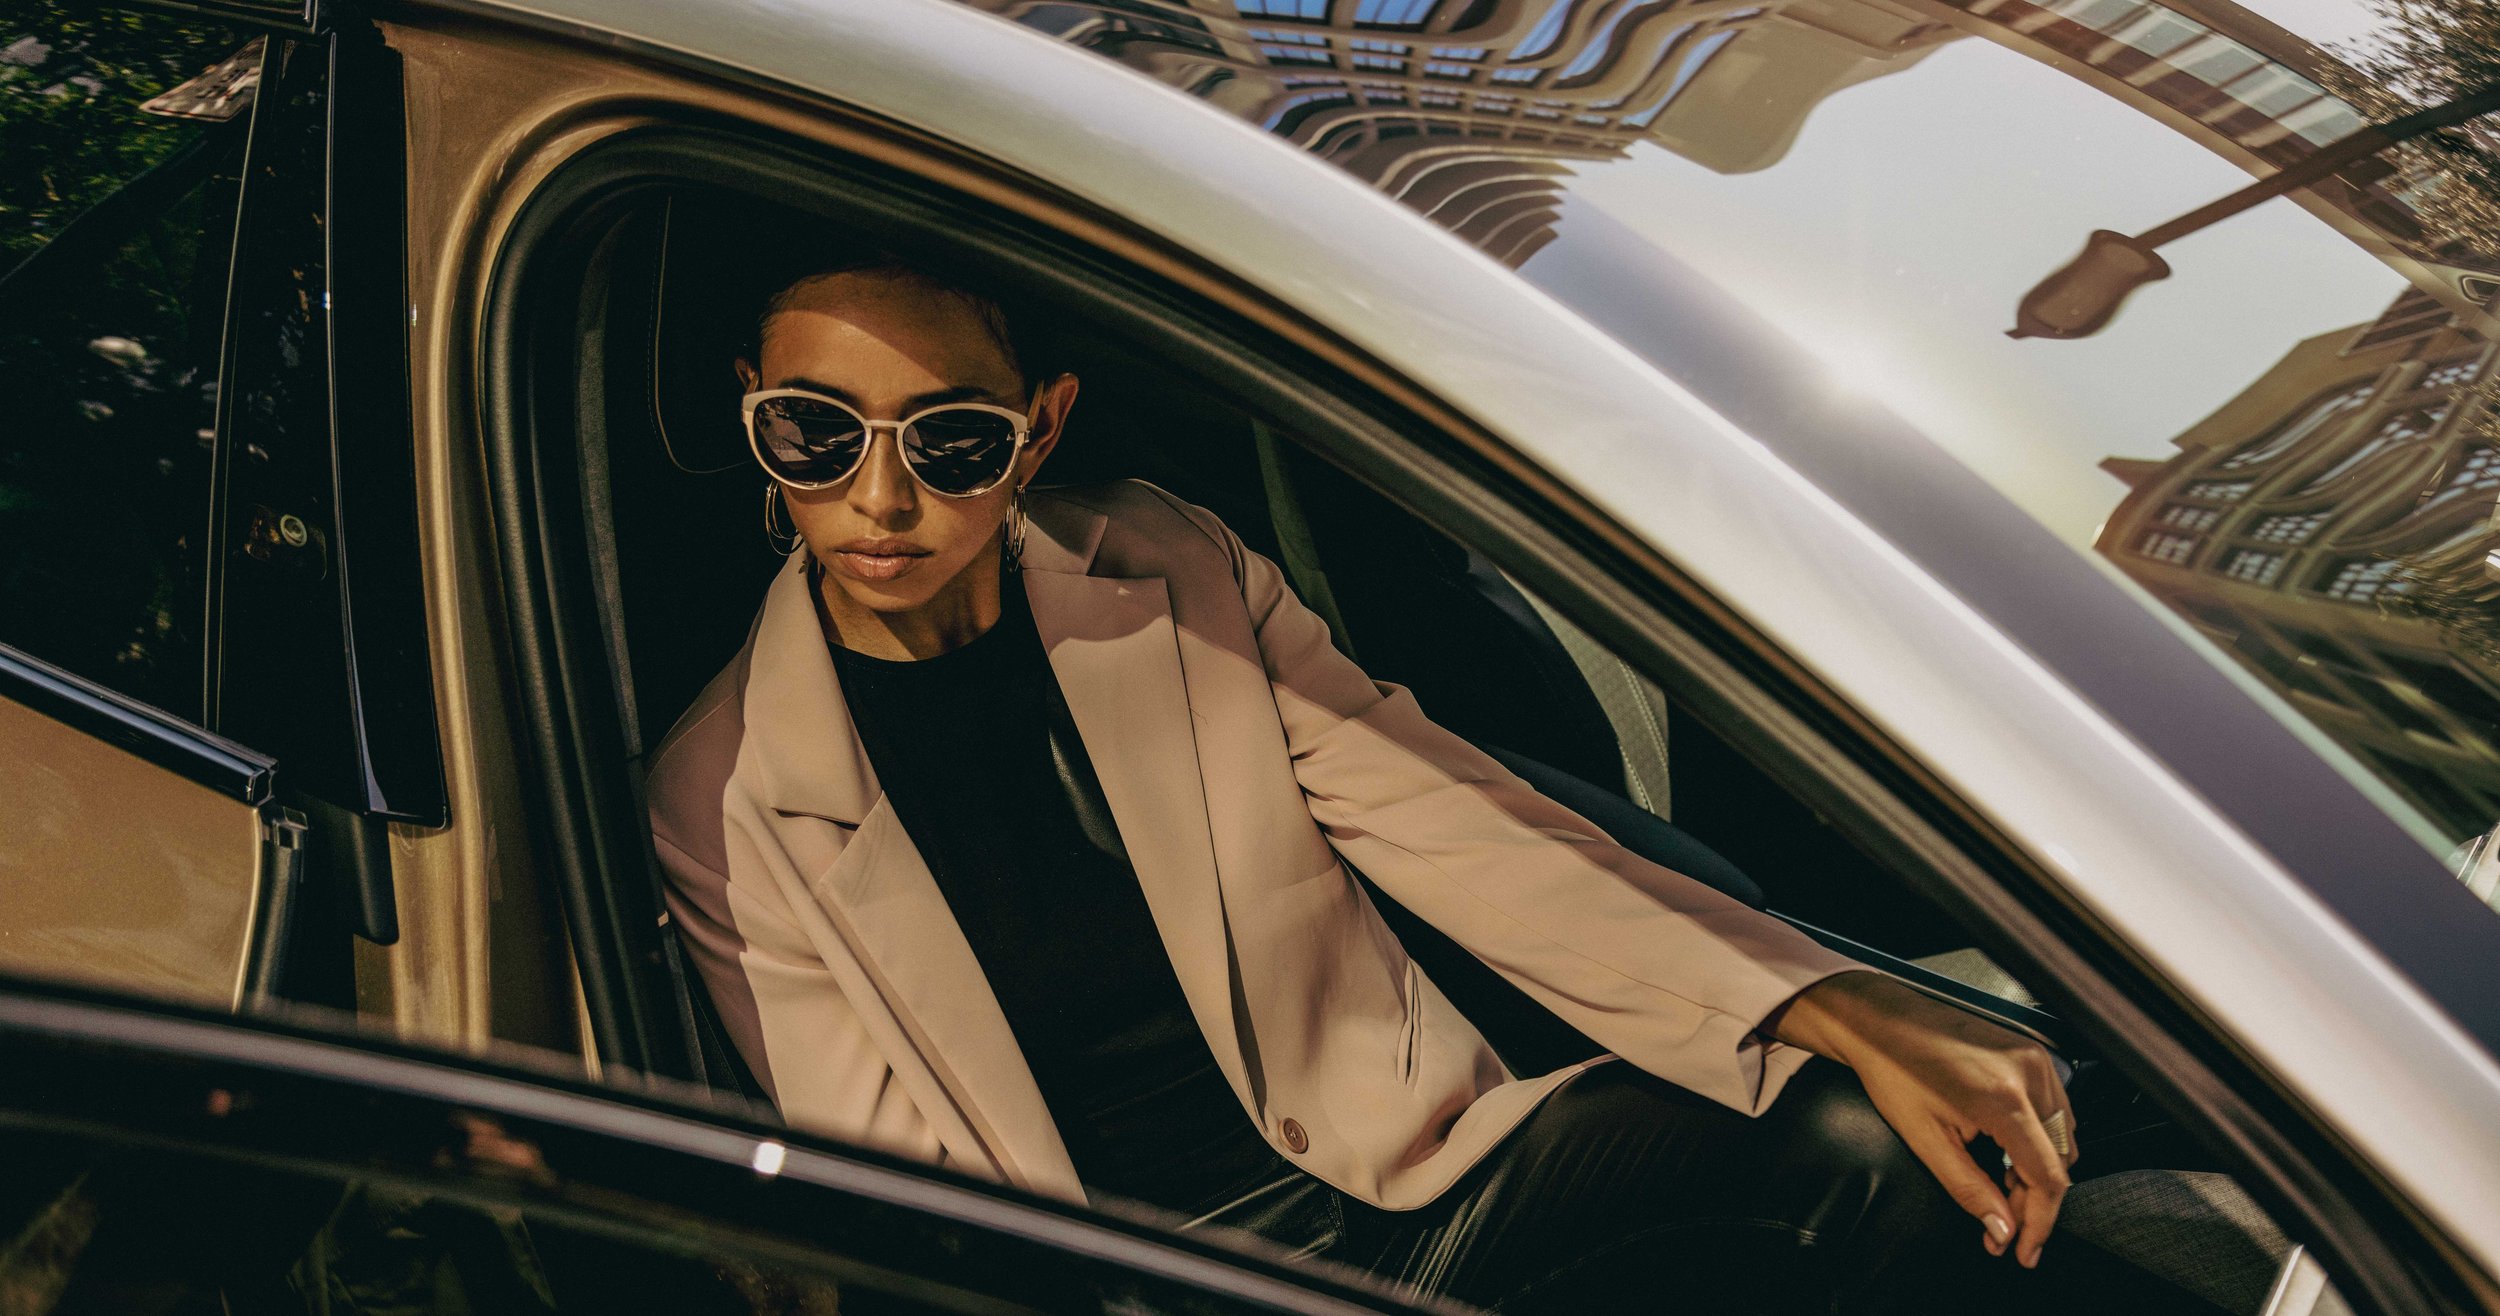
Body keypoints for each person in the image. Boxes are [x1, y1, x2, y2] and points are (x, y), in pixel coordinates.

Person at [642, 250, 2184, 1314]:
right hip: (1139, 1287)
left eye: (954, 438)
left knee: (1868, 1135)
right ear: (754, 419)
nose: (881, 495)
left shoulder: (1169, 567)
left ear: (1039, 428)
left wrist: (1829, 996)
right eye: (816, 433)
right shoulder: (724, 786)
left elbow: (1457, 824)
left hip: (1414, 1181)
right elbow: (888, 1188)